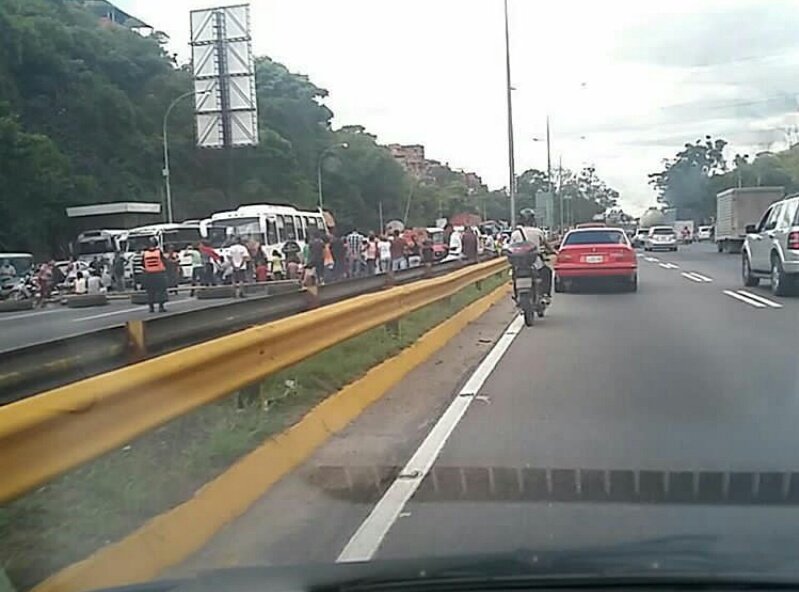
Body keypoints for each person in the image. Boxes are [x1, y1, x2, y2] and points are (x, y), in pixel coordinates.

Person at [509, 208, 552, 300]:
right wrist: (554, 252)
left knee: (514, 276)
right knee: (547, 272)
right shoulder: (538, 232)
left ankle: (516, 295)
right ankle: (545, 294)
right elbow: (547, 245)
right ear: (533, 220)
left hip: (519, 263)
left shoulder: (515, 234)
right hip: (535, 263)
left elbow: (510, 247)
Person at [142, 237, 168, 312]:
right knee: (161, 291)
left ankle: (151, 308)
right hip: (159, 274)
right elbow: (164, 261)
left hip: (149, 274)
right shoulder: (158, 252)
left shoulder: (145, 253)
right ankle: (161, 307)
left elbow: (143, 264)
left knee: (150, 291)